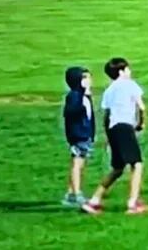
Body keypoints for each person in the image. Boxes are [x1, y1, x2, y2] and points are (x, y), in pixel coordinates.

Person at [81, 57, 148, 215]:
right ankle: (133, 203)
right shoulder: (130, 85)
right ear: (121, 71)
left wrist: (108, 137)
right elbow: (141, 107)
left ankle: (94, 200)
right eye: (127, 69)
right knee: (137, 164)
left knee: (118, 168)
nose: (129, 72)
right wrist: (141, 123)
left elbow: (107, 114)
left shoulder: (109, 90)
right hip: (125, 126)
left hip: (113, 128)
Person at [61, 66, 95, 206]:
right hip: (78, 134)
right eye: (85, 78)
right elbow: (71, 112)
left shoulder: (84, 95)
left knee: (80, 163)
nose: (89, 80)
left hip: (84, 134)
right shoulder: (75, 96)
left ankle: (71, 192)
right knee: (77, 162)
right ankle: (76, 194)